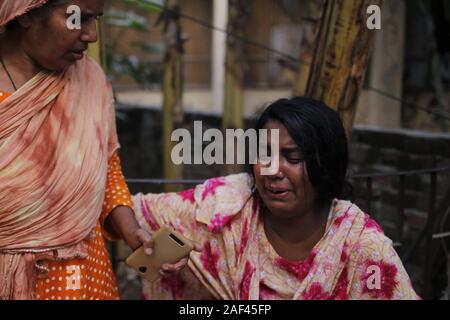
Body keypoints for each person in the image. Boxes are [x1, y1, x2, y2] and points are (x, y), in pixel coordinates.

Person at [133, 97, 420, 300]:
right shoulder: (226, 209)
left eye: (292, 157)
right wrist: (145, 244)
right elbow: (129, 209)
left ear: (326, 163)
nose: (272, 170)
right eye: (264, 154)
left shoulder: (361, 245)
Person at [0, 0, 186, 300]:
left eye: (96, 19)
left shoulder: (90, 80)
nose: (91, 35)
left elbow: (107, 169)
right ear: (27, 14)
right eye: (79, 18)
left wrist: (132, 232)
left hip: (87, 279)